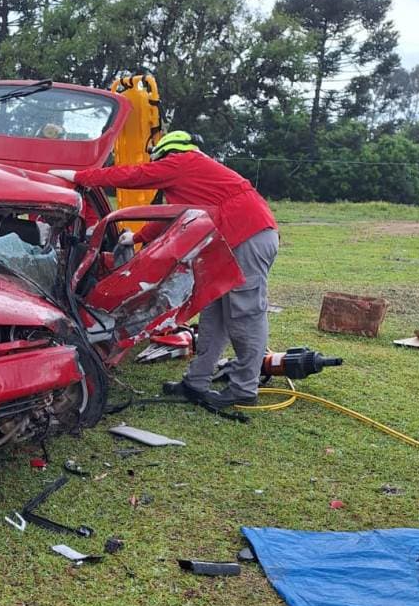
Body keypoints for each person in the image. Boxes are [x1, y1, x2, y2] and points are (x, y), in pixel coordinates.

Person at [48, 131, 279, 408]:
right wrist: (136, 237)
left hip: (245, 235)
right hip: (231, 239)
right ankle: (196, 382)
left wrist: (79, 176)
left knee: (245, 314)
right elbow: (171, 215)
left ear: (166, 154)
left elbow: (134, 176)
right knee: (214, 316)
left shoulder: (184, 162)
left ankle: (244, 389)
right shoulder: (195, 177)